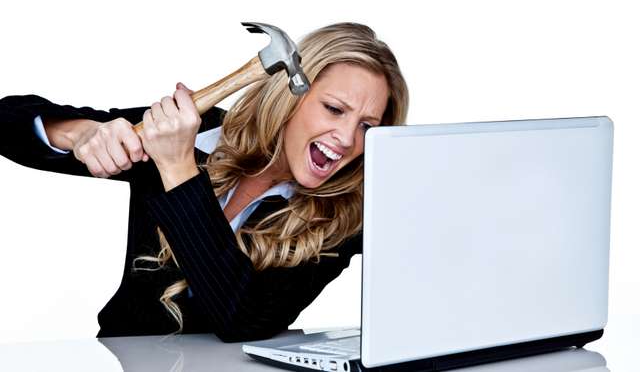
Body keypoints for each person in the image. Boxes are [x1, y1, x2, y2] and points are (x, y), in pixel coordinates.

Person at [0, 22, 409, 342]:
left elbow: (242, 319)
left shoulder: (347, 217)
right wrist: (81, 133)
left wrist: (178, 168)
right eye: (334, 109)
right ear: (291, 94)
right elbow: (7, 121)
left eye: (367, 125)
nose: (347, 138)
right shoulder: (197, 134)